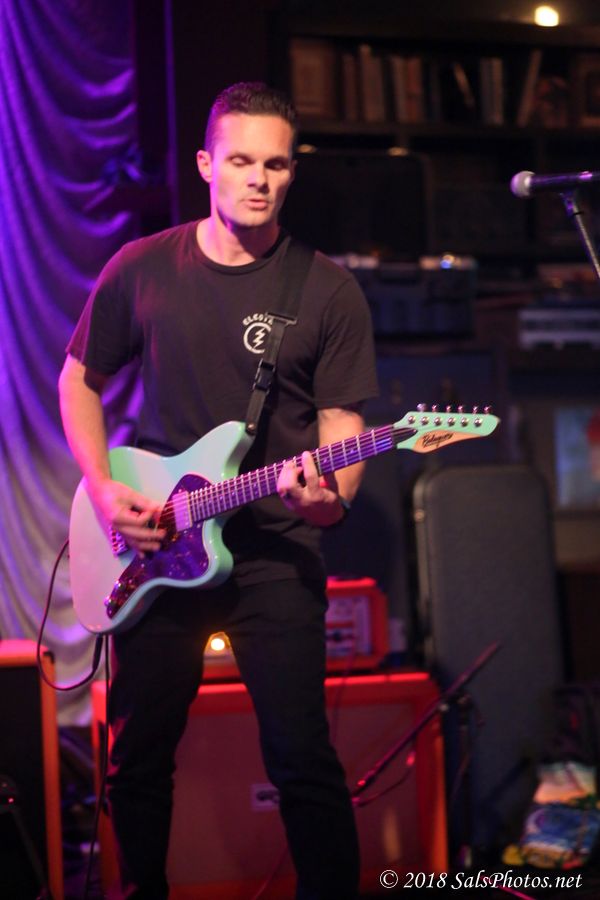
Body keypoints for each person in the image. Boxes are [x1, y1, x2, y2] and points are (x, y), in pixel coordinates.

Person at [59, 81, 378, 899]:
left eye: (275, 165)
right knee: (137, 759)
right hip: (158, 546)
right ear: (207, 165)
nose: (258, 180)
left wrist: (329, 498)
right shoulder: (142, 268)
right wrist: (103, 489)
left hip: (274, 553)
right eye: (240, 161)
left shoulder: (325, 289)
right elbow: (78, 380)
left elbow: (342, 423)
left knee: (303, 759)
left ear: (292, 171)